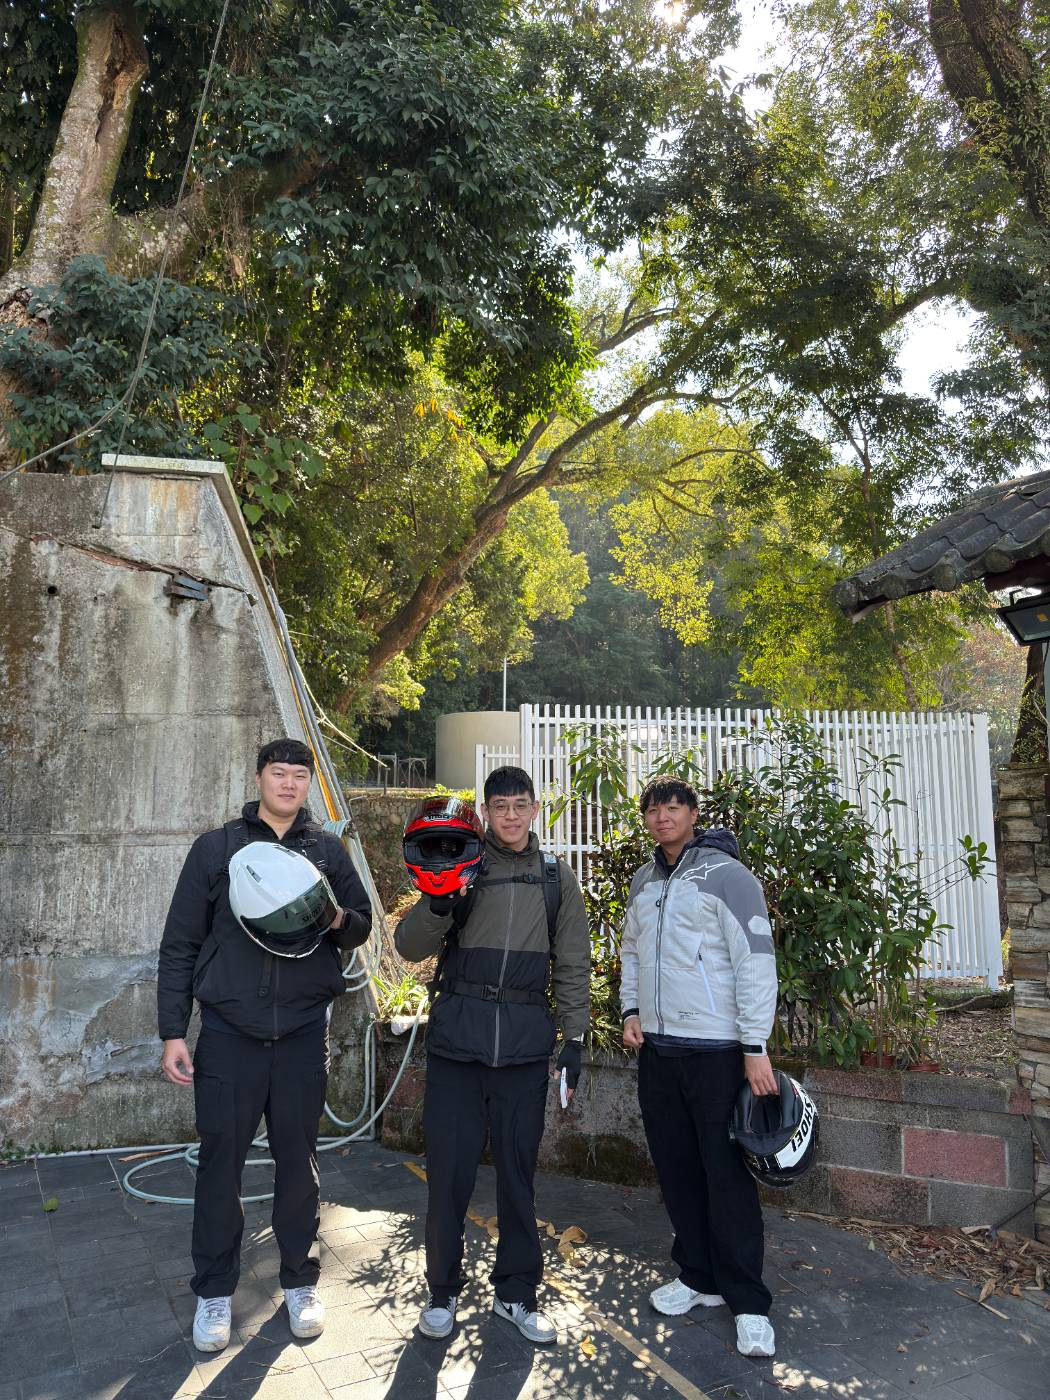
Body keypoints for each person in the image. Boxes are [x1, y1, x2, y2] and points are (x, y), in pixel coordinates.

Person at [158, 738, 372, 1354]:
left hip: (302, 1035)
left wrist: (333, 916)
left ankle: (300, 1281)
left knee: (299, 1164)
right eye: (279, 773)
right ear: (259, 778)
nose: (289, 784)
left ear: (309, 784)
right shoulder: (217, 849)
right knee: (219, 1166)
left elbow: (358, 925)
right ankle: (214, 1292)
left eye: (299, 775)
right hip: (229, 1036)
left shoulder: (326, 852)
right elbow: (180, 943)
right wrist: (173, 1031)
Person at [395, 766, 590, 1345]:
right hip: (458, 1047)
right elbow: (409, 947)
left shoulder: (555, 878)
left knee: (518, 1180)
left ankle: (516, 1294)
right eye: (499, 805)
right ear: (484, 811)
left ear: (535, 809)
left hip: (524, 1052)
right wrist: (439, 901)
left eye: (519, 804)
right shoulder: (461, 862)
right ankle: (441, 1292)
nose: (510, 815)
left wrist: (575, 1039)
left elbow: (573, 963)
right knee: (448, 1179)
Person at [620, 774, 779, 1359]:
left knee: (726, 1176)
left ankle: (748, 1302)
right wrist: (631, 1009)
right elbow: (631, 950)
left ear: (692, 813)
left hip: (716, 1051)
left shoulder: (729, 876)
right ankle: (698, 1276)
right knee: (677, 1170)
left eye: (673, 807)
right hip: (659, 1050)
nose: (662, 817)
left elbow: (755, 960)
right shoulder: (644, 881)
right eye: (653, 810)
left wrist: (754, 1045)